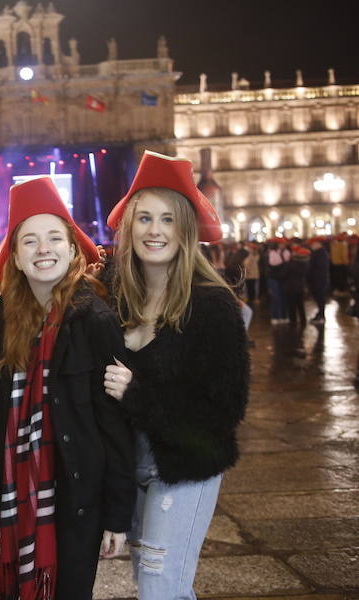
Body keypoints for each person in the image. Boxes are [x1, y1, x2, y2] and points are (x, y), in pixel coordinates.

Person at [106, 151, 249, 600]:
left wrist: (138, 393)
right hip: (132, 467)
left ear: (186, 229)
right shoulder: (115, 300)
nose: (155, 230)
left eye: (168, 219)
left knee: (158, 585)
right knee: (158, 586)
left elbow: (225, 410)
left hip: (184, 466)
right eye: (144, 218)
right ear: (130, 228)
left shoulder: (213, 306)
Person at [0, 177, 136, 599]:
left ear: (73, 249)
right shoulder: (0, 318)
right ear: (14, 256)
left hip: (77, 496)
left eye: (55, 238)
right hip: (17, 496)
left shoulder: (96, 319)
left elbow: (115, 424)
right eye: (30, 241)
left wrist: (117, 515)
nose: (44, 249)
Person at [266, 238, 291, 324]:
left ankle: (284, 316)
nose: (283, 245)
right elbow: (273, 263)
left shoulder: (287, 252)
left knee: (284, 297)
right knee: (276, 297)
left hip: (284, 277)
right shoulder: (272, 252)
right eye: (281, 244)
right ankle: (275, 316)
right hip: (274, 278)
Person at [306, 237, 331, 323]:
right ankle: (320, 314)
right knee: (318, 297)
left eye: (312, 244)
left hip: (319, 279)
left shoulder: (321, 253)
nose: (311, 246)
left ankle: (321, 315)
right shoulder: (318, 253)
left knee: (320, 297)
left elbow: (318, 267)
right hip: (317, 279)